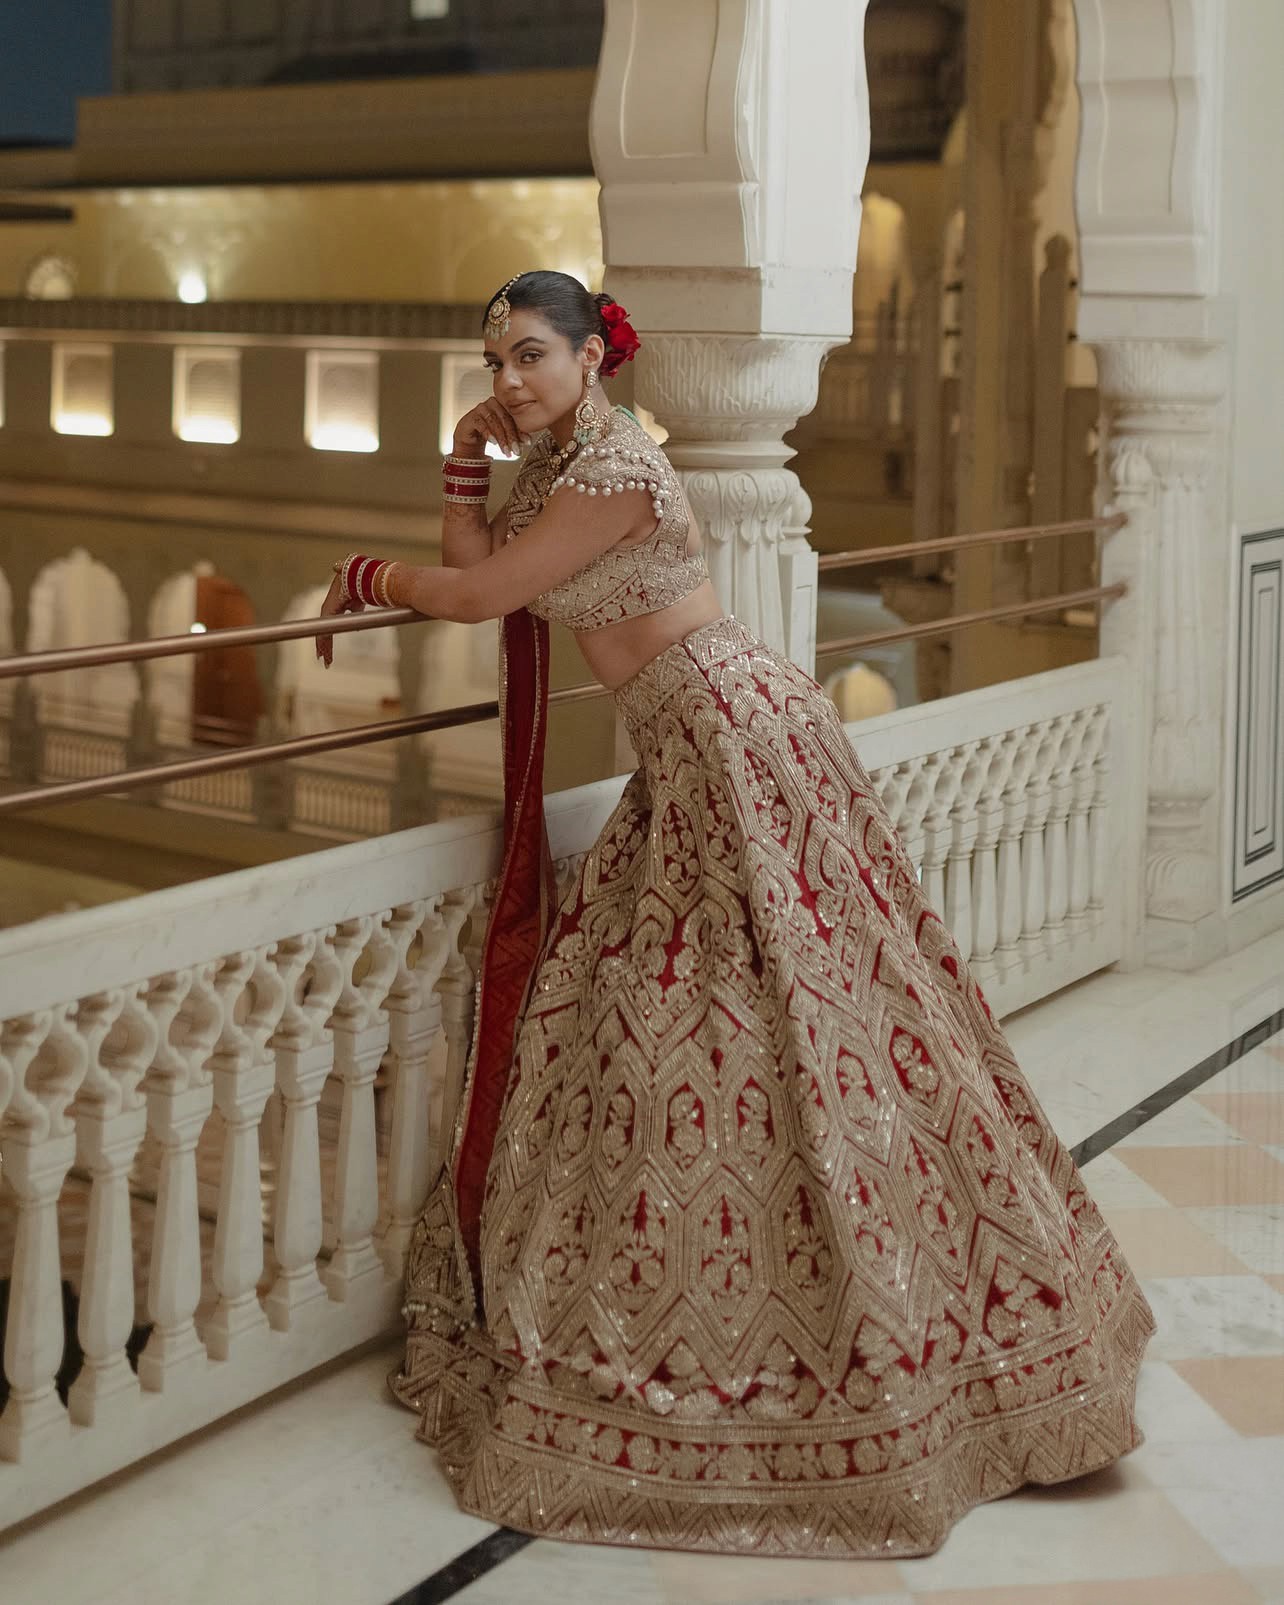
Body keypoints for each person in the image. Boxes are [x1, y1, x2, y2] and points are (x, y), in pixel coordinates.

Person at [316, 271, 1154, 1559]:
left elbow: (476, 602)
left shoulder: (615, 470)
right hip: (686, 750)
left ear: (598, 355)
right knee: (719, 1018)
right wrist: (462, 470)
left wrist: (369, 576)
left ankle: (882, 1341)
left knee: (800, 1021)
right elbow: (487, 571)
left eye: (533, 357)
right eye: (495, 362)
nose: (510, 382)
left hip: (731, 732)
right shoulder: (554, 467)